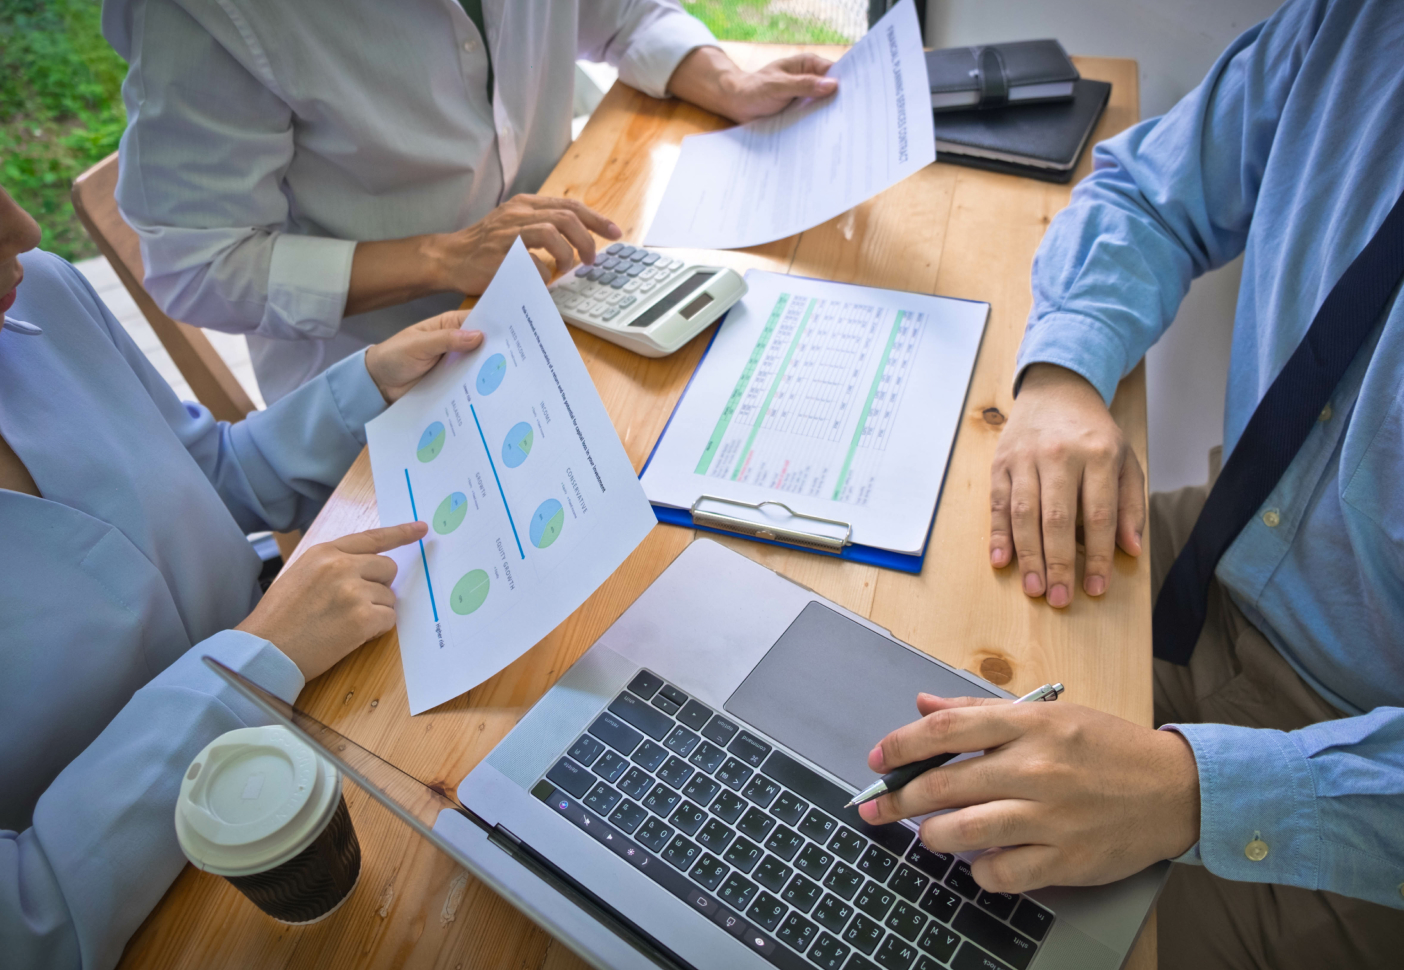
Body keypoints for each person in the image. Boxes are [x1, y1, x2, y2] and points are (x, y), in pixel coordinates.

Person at [855, 0, 1404, 966]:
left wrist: (1193, 790)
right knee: (866, 716)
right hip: (1222, 552)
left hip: (1361, 793)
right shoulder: (1353, 25)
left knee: (942, 921)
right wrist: (1063, 377)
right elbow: (1149, 192)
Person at [0, 181, 485, 969]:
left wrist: (367, 386)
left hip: (330, 705)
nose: (24, 228)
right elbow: (30, 926)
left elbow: (213, 474)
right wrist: (254, 659)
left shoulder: (42, 292)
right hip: (194, 905)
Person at [101, 0, 840, 402]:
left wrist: (726, 80)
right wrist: (443, 257)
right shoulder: (206, 13)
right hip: (386, 380)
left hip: (571, 292)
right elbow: (199, 266)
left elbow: (624, 16)